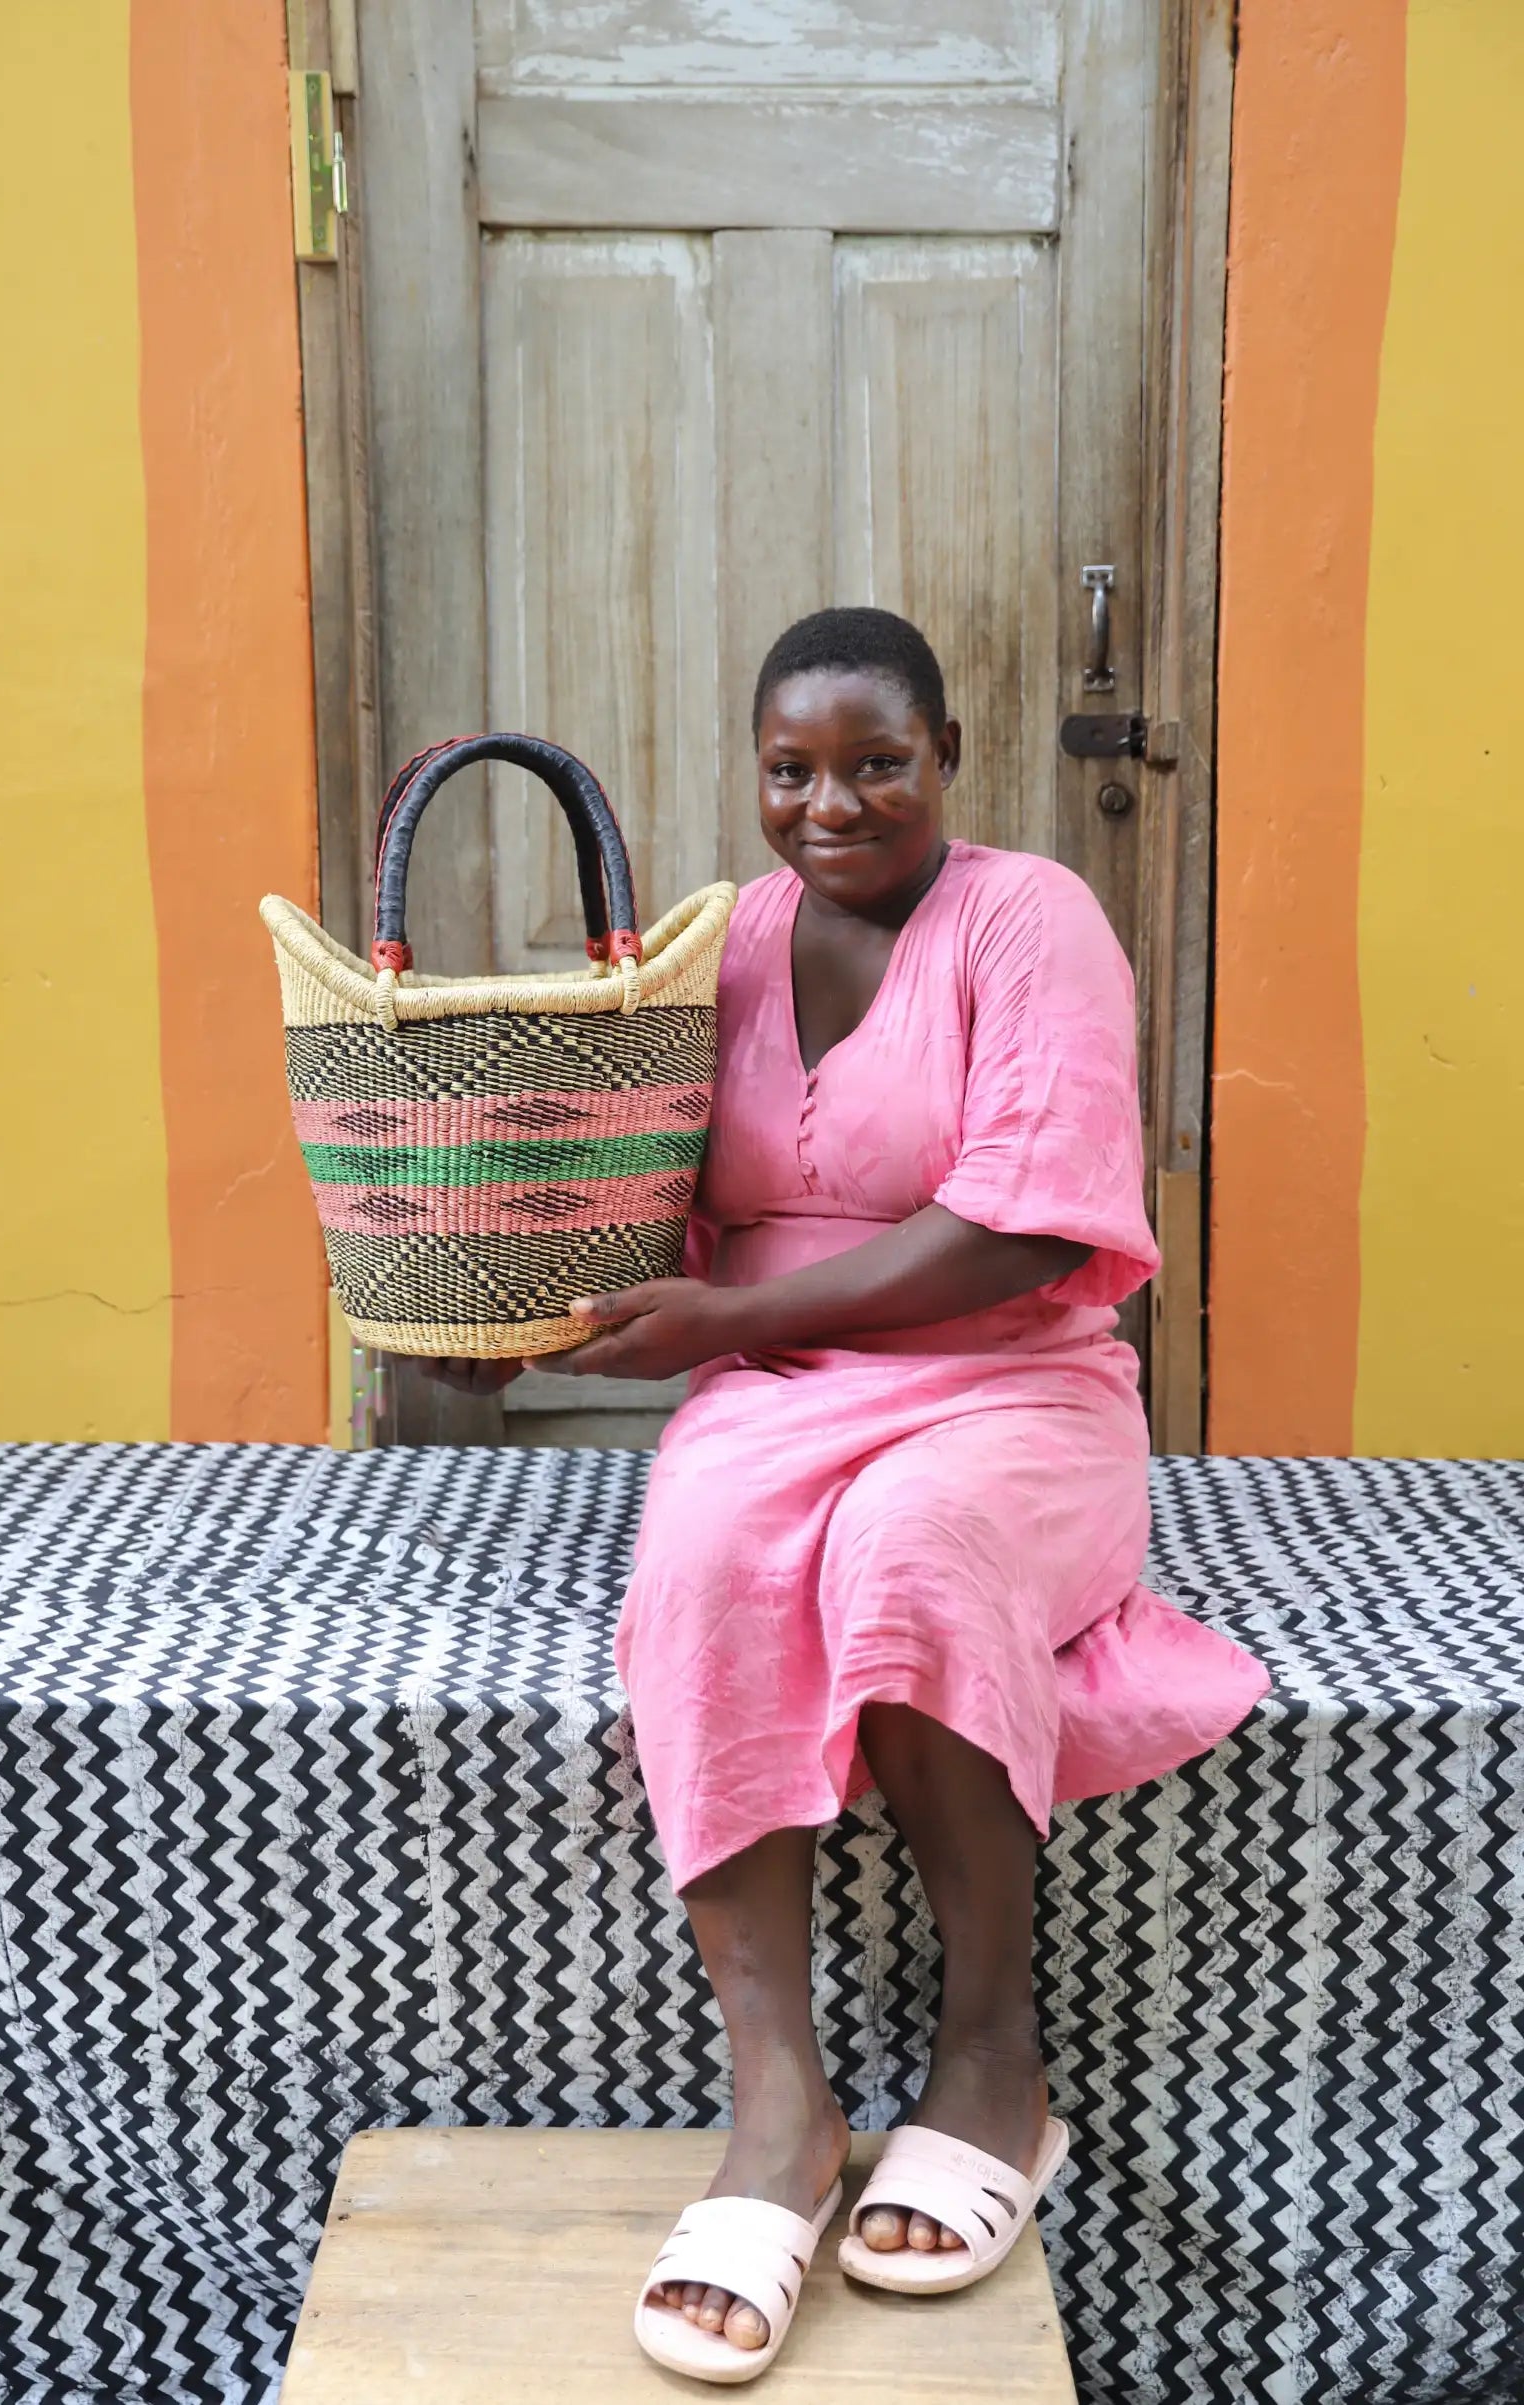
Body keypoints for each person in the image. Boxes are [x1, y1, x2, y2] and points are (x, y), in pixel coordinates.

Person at [429, 608, 1269, 2384]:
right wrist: (510, 1301)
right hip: (778, 1388)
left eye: (876, 761)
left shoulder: (1030, 916)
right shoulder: (721, 945)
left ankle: (990, 2063)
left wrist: (737, 1313)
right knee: (717, 1556)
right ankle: (780, 2110)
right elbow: (627, 1173)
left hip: (1013, 1373)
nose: (831, 803)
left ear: (948, 753)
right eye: (792, 771)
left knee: (911, 1547)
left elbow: (1034, 1221)